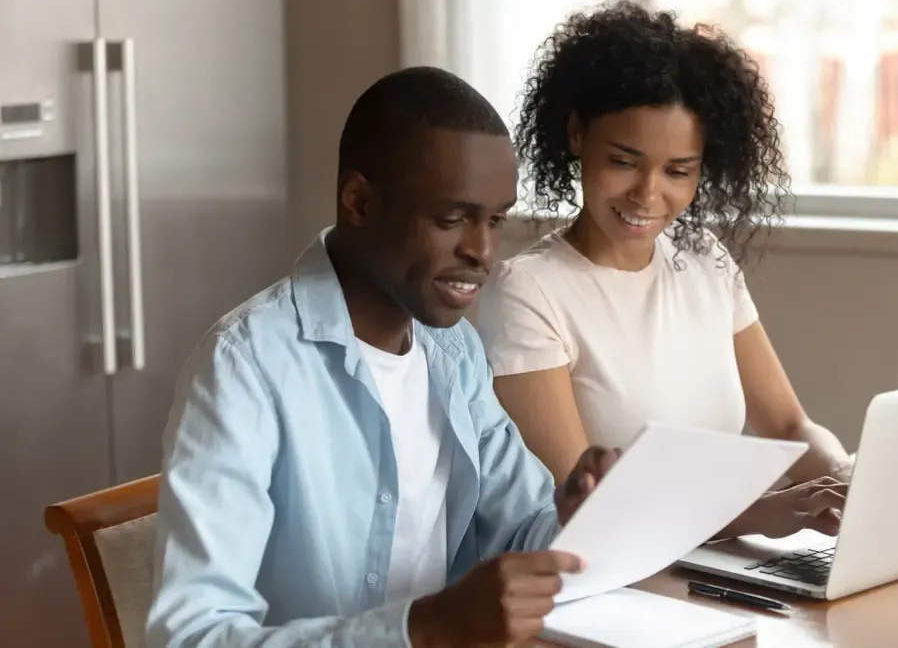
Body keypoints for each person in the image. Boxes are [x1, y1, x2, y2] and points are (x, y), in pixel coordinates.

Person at [146, 66, 620, 648]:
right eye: (452, 220)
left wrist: (577, 515)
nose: (483, 251)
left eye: (495, 220)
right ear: (359, 202)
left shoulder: (453, 351)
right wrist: (423, 629)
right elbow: (190, 636)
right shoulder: (246, 367)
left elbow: (523, 527)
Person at [475, 0, 852, 542]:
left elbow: (791, 426)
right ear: (578, 135)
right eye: (624, 162)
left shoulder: (704, 260)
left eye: (678, 171)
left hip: (716, 564)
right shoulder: (528, 292)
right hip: (617, 584)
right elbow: (582, 507)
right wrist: (763, 513)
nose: (648, 195)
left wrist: (845, 483)